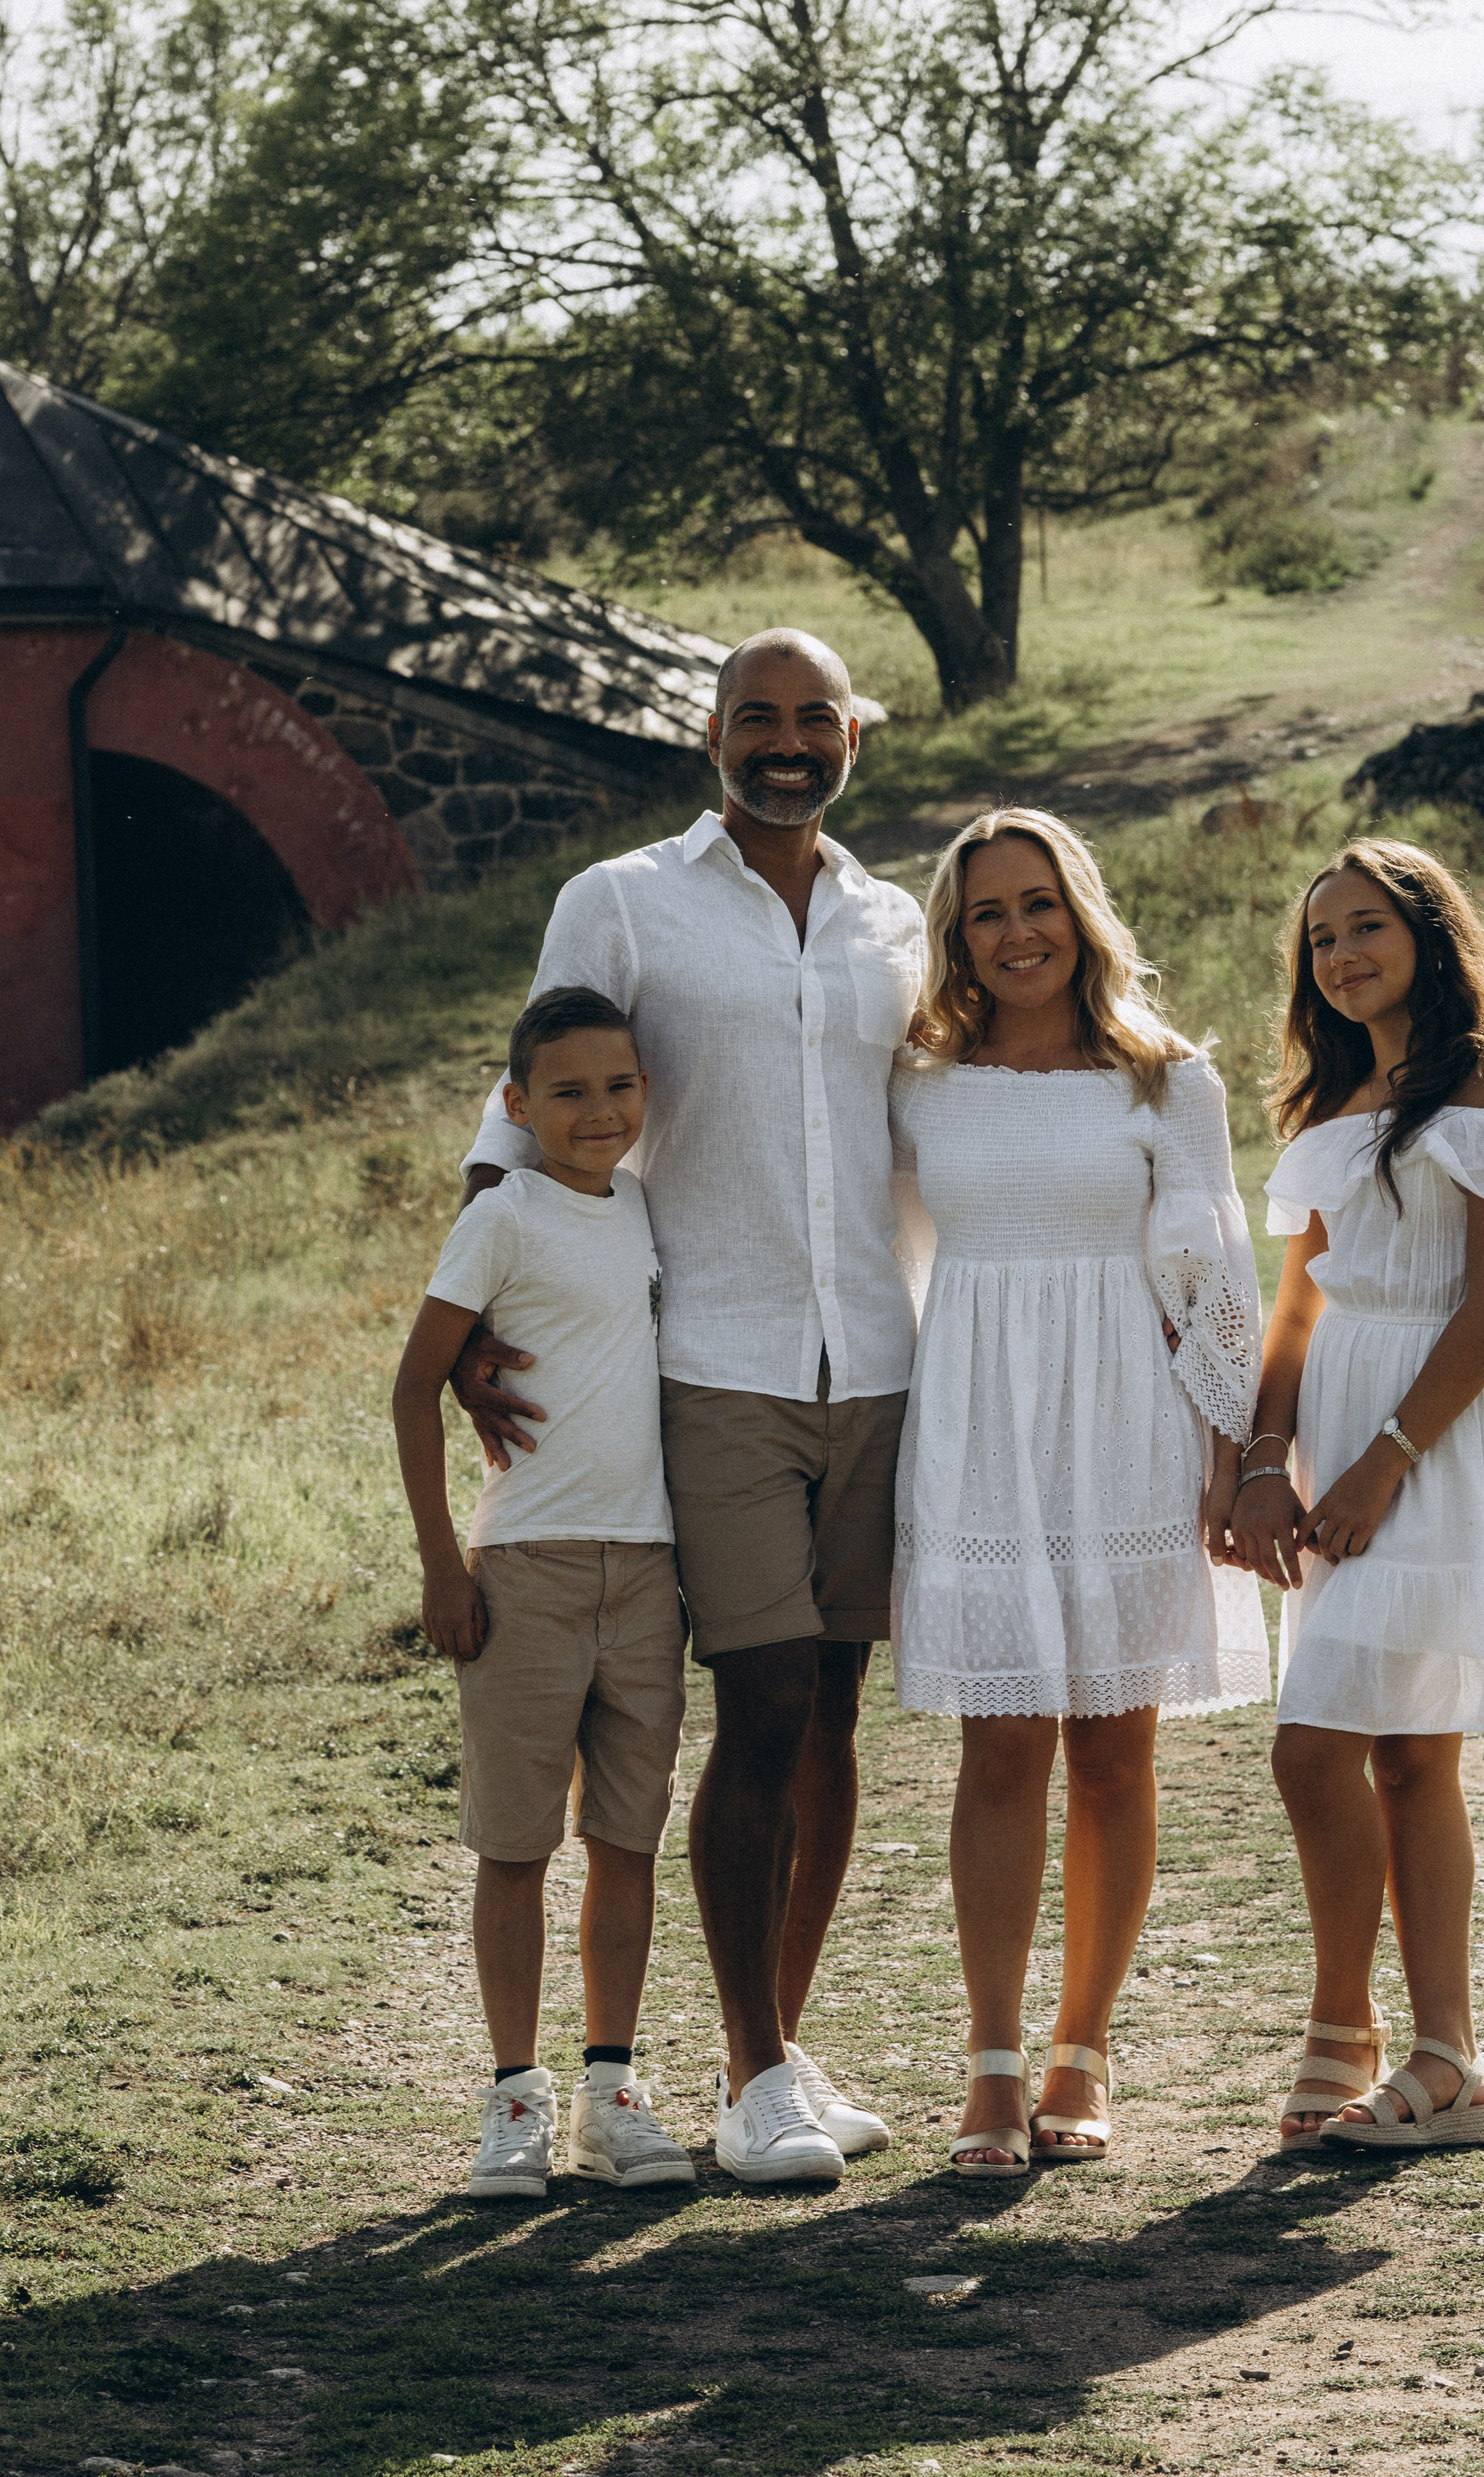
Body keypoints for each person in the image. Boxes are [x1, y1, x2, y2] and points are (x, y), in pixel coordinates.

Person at [451, 631, 926, 2186]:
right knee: (767, 1698)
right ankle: (756, 2069)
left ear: (853, 733)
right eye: (755, 720)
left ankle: (766, 2055)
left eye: (812, 721)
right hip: (708, 1361)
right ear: (709, 733)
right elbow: (518, 1102)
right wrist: (471, 1327)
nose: (784, 745)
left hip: (875, 1357)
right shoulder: (622, 899)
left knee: (835, 1713)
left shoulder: (892, 922)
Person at [890, 809, 1268, 2176]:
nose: (1018, 931)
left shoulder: (1167, 1083)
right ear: (957, 938)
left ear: (1081, 910)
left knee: (1114, 1748)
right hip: (980, 1423)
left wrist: (1235, 1461)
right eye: (987, 912)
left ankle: (1081, 2050)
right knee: (1001, 1743)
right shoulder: (918, 1085)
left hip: (1128, 1423)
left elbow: (1218, 1281)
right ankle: (992, 2063)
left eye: (1038, 901)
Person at [1209, 838, 1484, 2152]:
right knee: (1407, 1754)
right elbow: (1299, 1304)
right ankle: (1446, 2066)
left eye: (1366, 926)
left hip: (1432, 1431)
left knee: (1320, 1746)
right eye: (1321, 940)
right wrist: (1268, 1458)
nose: (1343, 955)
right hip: (1332, 1429)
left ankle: (1351, 2029)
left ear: (1429, 933)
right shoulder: (1330, 1106)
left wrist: (1384, 1458)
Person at [390, 985, 695, 2199]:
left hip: (650, 1565)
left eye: (619, 1086)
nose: (598, 1111)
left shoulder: (645, 1214)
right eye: (566, 1092)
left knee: (627, 1837)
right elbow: (417, 1386)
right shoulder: (504, 1217)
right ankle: (511, 2102)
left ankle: (607, 2097)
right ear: (517, 1107)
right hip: (525, 1564)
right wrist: (441, 1565)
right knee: (514, 1846)